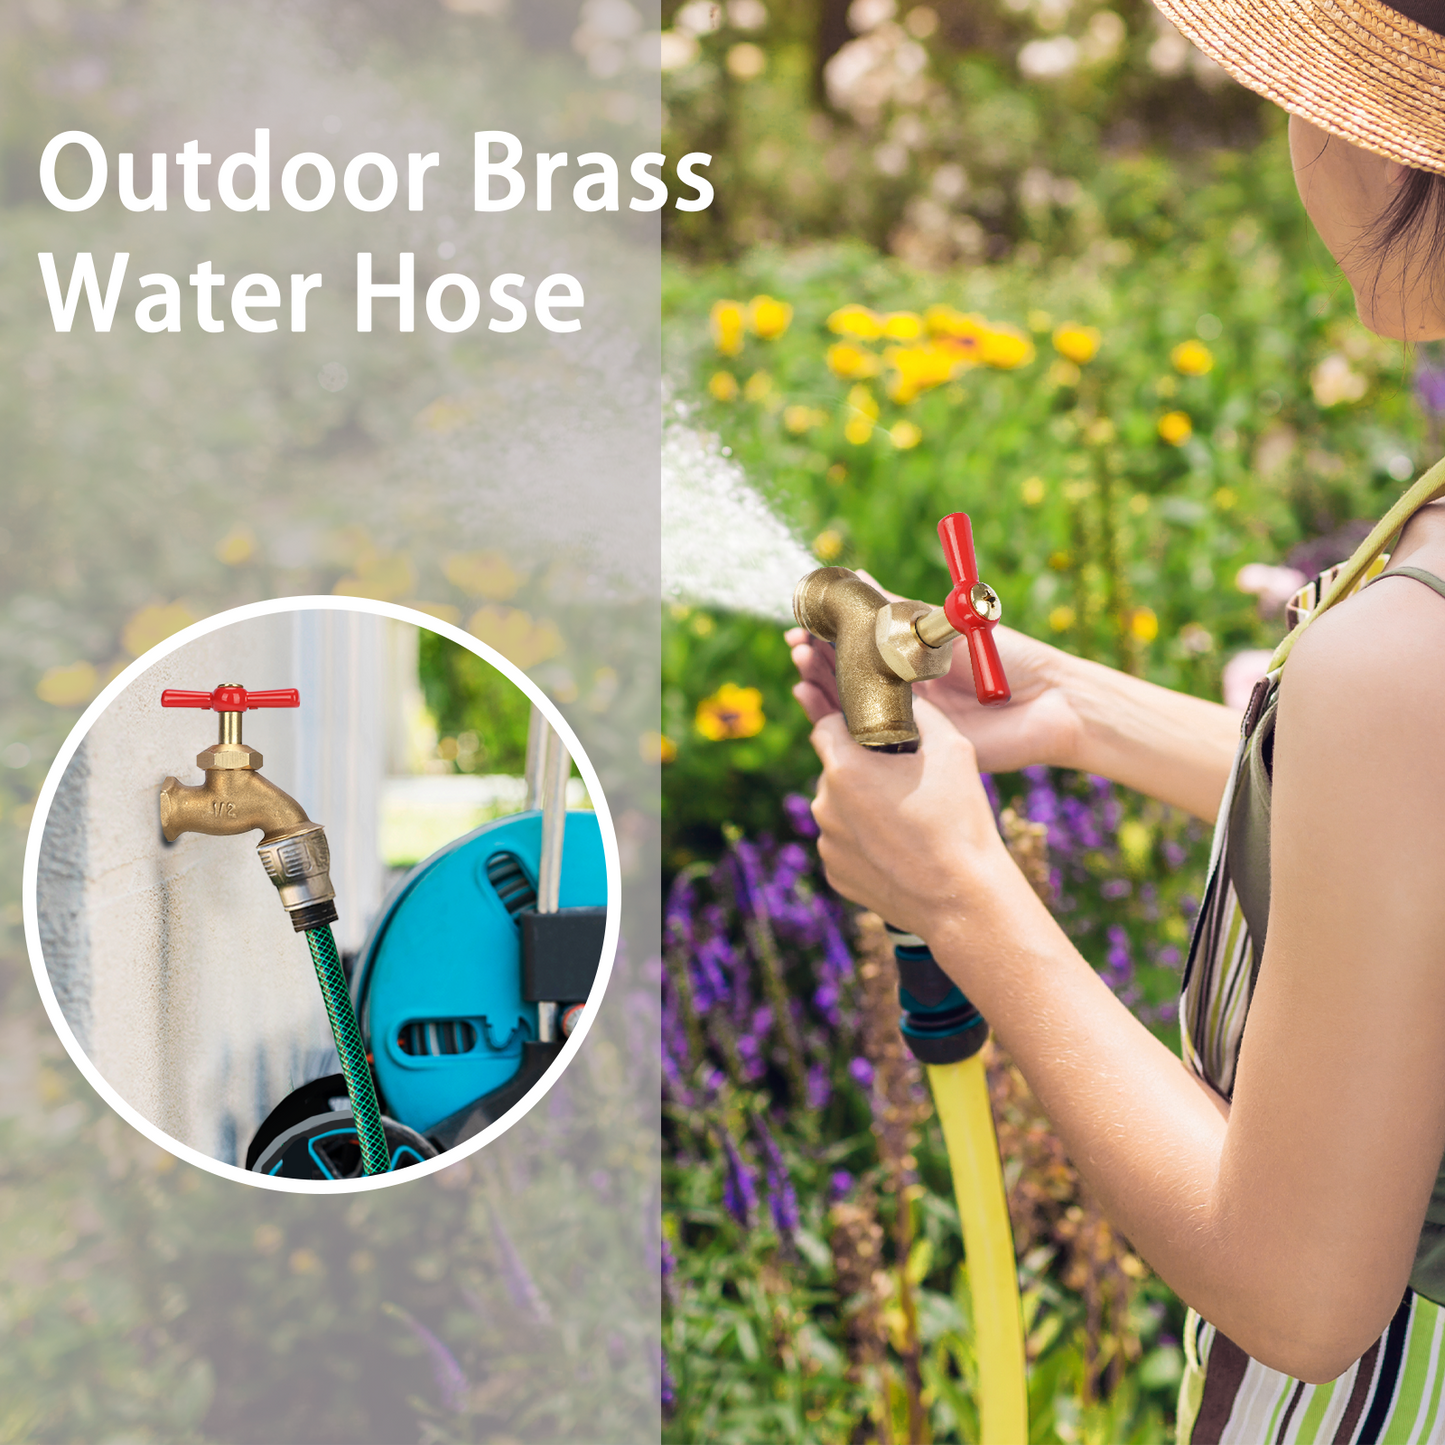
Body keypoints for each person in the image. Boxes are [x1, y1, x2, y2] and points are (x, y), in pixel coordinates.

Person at [788, 3, 1445, 1439]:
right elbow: (1406, 866)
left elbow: (1301, 1292)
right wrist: (1079, 709)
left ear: (1391, 142)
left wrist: (961, 897)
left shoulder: (1413, 651)